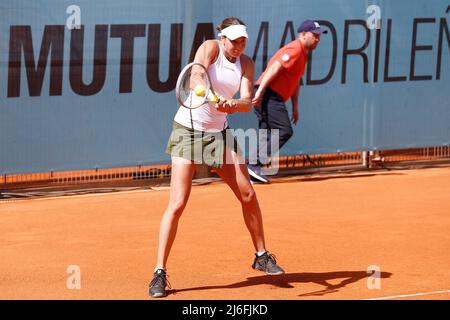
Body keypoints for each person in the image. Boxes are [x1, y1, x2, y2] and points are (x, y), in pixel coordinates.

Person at [149, 17, 285, 298]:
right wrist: (209, 95)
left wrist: (234, 105)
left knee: (248, 194)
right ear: (222, 38)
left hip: (219, 134)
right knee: (177, 203)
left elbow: (247, 101)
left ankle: (261, 255)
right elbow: (197, 75)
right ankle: (159, 273)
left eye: (243, 40)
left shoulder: (246, 63)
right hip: (188, 130)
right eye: (234, 40)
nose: (239, 45)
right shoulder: (210, 48)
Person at [247, 20, 327, 183]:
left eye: (319, 35)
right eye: (315, 35)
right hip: (268, 94)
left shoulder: (303, 54)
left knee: (268, 134)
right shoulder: (295, 49)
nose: (318, 39)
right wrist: (261, 91)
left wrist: (295, 106)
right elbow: (275, 68)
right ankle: (254, 164)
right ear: (303, 35)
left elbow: (295, 80)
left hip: (272, 96)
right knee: (285, 131)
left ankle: (252, 170)